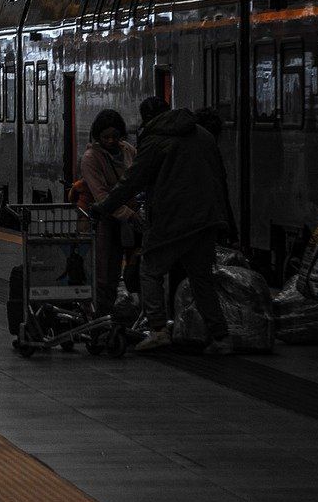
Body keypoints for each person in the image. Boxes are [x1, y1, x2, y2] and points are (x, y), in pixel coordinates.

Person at [96, 97, 237, 354]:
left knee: (150, 270)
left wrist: (104, 207)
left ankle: (158, 329)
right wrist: (227, 220)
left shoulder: (156, 139)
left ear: (147, 118)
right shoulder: (204, 135)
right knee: (201, 277)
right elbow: (221, 178)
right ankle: (221, 337)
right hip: (206, 218)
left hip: (172, 220)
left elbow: (132, 181)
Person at [78, 109, 138, 314]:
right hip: (100, 220)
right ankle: (99, 312)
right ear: (97, 136)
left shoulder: (128, 150)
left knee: (125, 267)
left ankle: (113, 310)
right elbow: (101, 196)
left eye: (115, 136)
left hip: (125, 217)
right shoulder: (90, 158)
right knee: (103, 270)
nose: (111, 141)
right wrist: (131, 214)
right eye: (106, 137)